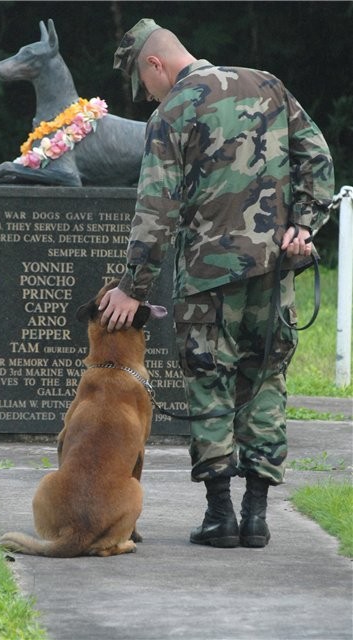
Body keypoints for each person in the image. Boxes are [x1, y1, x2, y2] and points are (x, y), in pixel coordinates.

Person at [99, 19, 334, 548]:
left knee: (210, 385)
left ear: (154, 64)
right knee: (266, 381)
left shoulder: (172, 112)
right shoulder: (268, 84)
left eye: (145, 84)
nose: (148, 96)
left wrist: (132, 287)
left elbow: (156, 208)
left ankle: (219, 517)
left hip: (207, 279)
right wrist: (304, 224)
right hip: (274, 273)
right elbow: (316, 158)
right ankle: (257, 516)